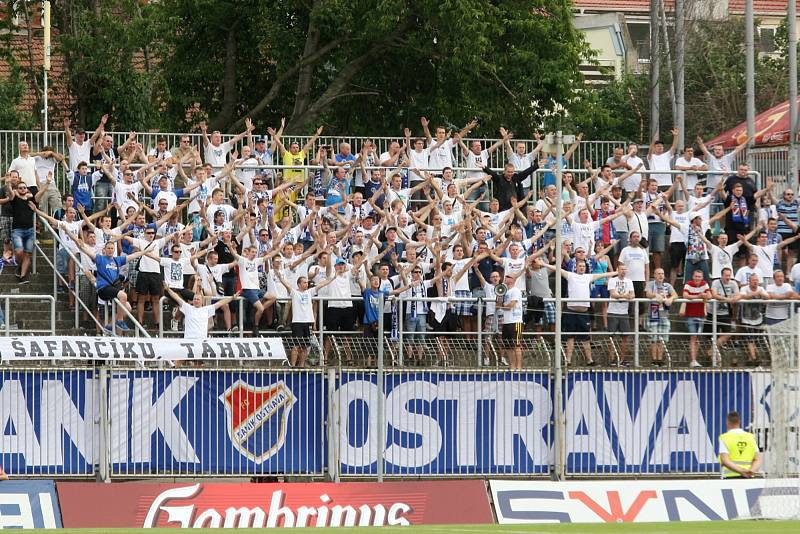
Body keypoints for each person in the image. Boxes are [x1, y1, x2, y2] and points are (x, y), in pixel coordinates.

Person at [163, 283, 239, 339]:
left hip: (201, 340)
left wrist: (232, 297)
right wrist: (168, 290)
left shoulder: (207, 309)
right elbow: (176, 297)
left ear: (202, 301)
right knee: (182, 360)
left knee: (199, 361)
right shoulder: (188, 307)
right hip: (189, 340)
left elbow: (220, 303)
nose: (196, 300)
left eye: (198, 299)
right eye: (194, 299)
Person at [645, 267, 677, 366]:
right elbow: (648, 294)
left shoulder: (667, 285)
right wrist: (656, 295)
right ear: (654, 275)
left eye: (662, 274)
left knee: (663, 337)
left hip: (664, 313)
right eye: (658, 273)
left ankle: (660, 359)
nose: (660, 275)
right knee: (654, 337)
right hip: (654, 311)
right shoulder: (651, 284)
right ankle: (654, 360)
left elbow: (675, 294)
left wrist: (670, 299)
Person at [739, 273, 770, 366]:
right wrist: (756, 293)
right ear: (749, 281)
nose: (755, 282)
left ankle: (750, 358)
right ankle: (754, 358)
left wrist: (761, 293)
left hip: (758, 318)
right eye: (753, 280)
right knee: (750, 339)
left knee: (754, 339)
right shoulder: (744, 289)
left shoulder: (761, 288)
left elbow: (768, 297)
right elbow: (744, 296)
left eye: (756, 280)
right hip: (746, 318)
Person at [606, 264, 635, 366]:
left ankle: (622, 359)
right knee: (612, 337)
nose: (623, 271)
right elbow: (613, 294)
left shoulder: (629, 281)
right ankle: (612, 359)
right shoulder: (612, 280)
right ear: (617, 270)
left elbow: (632, 295)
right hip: (613, 312)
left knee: (625, 337)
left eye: (625, 269)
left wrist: (627, 296)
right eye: (621, 269)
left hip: (624, 312)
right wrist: (624, 296)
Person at [718, 411, 761, 479]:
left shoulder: (724, 438)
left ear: (727, 422)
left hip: (730, 477)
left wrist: (742, 471)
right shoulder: (750, 437)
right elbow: (757, 459)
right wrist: (751, 471)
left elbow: (724, 460)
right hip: (748, 477)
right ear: (739, 422)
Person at [682, 269, 711, 367]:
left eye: (699, 276)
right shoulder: (688, 284)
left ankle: (695, 360)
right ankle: (693, 360)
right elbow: (685, 295)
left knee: (697, 338)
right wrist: (698, 296)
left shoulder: (705, 284)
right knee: (693, 337)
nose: (698, 278)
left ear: (702, 277)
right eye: (696, 276)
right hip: (690, 315)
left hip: (701, 315)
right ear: (693, 276)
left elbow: (710, 295)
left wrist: (705, 295)